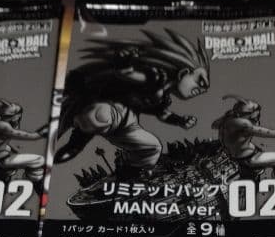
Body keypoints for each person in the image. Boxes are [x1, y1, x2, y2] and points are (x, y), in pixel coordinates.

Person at [54, 29, 211, 179]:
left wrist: (180, 120)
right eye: (200, 82)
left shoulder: (164, 98)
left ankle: (128, 175)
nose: (201, 89)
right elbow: (127, 73)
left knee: (153, 147)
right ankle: (75, 142)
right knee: (100, 116)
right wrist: (124, 61)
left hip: (128, 123)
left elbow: (163, 114)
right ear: (184, 73)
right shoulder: (155, 76)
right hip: (113, 108)